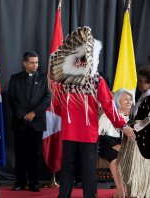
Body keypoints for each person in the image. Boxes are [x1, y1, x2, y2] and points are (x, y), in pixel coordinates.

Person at [47, 26, 135, 198]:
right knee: (87, 170)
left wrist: (122, 125)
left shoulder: (63, 83)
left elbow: (57, 107)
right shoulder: (95, 81)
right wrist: (122, 125)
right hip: (85, 132)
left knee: (69, 169)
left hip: (73, 132)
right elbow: (109, 106)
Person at [8, 51, 52, 192]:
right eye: (32, 62)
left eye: (37, 62)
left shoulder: (44, 78)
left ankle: (34, 182)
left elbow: (47, 98)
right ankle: (20, 182)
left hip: (37, 122)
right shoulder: (15, 78)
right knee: (20, 154)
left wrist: (34, 113)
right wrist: (22, 114)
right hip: (20, 122)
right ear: (25, 63)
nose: (35, 65)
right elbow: (12, 98)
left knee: (35, 155)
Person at [117, 65, 150, 197]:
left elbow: (148, 118)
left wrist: (134, 127)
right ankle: (136, 192)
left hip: (143, 140)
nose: (138, 83)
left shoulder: (149, 97)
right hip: (137, 138)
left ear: (146, 80)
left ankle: (142, 192)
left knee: (141, 170)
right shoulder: (143, 96)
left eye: (140, 80)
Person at [98, 89, 133, 198]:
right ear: (118, 101)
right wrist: (116, 145)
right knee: (116, 159)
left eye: (130, 100)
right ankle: (120, 190)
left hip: (127, 146)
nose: (129, 102)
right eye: (125, 99)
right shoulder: (108, 115)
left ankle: (129, 190)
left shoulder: (132, 116)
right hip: (108, 145)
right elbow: (102, 136)